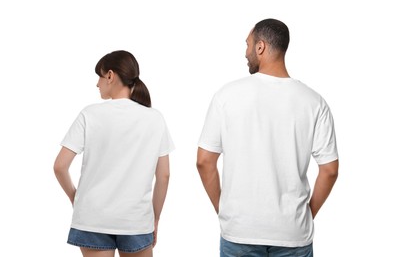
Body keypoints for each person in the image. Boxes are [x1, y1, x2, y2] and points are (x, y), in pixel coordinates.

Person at [196, 18, 339, 257]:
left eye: (248, 45)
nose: (246, 52)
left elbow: (204, 161)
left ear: (260, 47)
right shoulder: (314, 102)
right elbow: (330, 169)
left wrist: (224, 210)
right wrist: (305, 215)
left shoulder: (226, 96)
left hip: (240, 231)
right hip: (293, 234)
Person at [54, 50, 174, 257]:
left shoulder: (90, 114)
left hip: (93, 218)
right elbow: (164, 175)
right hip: (136, 220)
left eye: (99, 77)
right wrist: (155, 219)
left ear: (110, 75)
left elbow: (59, 166)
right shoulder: (155, 118)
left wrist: (76, 198)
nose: (97, 84)